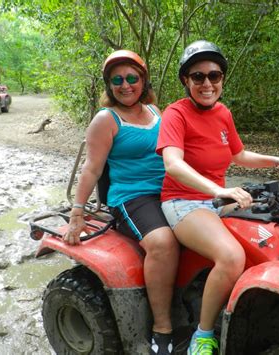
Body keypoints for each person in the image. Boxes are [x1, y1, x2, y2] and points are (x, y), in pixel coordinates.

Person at [156, 40, 279, 355]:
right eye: (198, 76)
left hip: (216, 201)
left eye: (214, 75)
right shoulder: (176, 113)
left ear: (222, 78)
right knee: (231, 257)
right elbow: (173, 163)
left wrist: (278, 161)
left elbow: (239, 154)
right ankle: (203, 335)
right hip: (183, 202)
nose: (207, 83)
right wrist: (218, 190)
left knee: (276, 238)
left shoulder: (223, 113)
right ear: (186, 80)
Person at [64, 50, 179, 355]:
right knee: (162, 242)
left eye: (132, 78)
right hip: (132, 196)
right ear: (108, 84)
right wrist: (78, 212)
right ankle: (163, 327)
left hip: (170, 188)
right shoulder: (106, 119)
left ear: (144, 81)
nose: (125, 85)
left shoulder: (156, 111)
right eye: (117, 79)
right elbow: (92, 168)